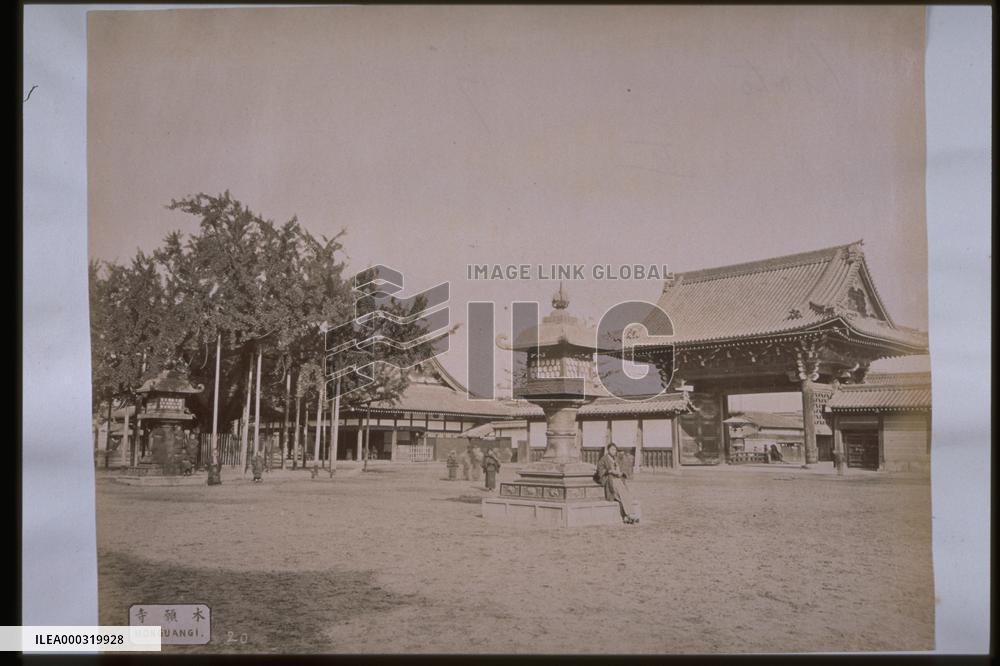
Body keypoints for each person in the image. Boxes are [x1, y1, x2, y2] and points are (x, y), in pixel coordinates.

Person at [595, 443, 640, 524]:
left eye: (615, 450)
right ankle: (630, 514)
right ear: (608, 450)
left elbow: (623, 470)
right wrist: (609, 471)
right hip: (610, 480)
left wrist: (620, 473)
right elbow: (600, 471)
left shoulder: (616, 459)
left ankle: (627, 516)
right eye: (612, 449)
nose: (613, 451)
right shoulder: (603, 459)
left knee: (625, 494)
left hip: (618, 479)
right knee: (621, 494)